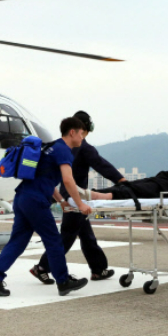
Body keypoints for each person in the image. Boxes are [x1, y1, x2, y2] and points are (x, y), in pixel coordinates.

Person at [0, 117, 93, 297]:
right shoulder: (64, 151)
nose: (82, 138)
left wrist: (62, 201)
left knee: (17, 242)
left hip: (22, 198)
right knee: (54, 241)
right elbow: (67, 179)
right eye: (81, 134)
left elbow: (45, 179)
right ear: (72, 132)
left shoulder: (50, 147)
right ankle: (63, 281)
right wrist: (80, 204)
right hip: (35, 202)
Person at [32, 111, 127, 284]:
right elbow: (101, 165)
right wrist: (120, 179)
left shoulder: (62, 146)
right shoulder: (84, 148)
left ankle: (98, 269)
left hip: (68, 195)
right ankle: (43, 267)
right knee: (68, 235)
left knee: (86, 234)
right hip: (76, 197)